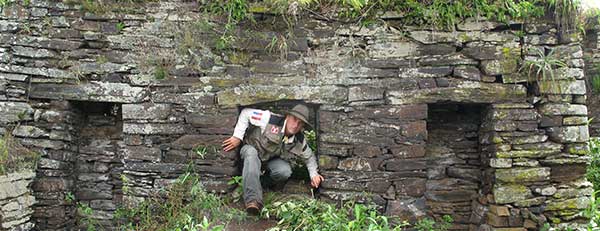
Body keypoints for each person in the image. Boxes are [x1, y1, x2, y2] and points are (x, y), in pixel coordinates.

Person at [222, 103, 324, 215]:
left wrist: (314, 174)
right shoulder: (269, 119)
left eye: (300, 123)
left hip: (269, 160)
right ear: (288, 117)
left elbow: (309, 157)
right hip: (250, 151)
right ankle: (253, 201)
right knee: (251, 154)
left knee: (284, 171)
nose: (295, 125)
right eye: (294, 119)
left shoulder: (298, 140)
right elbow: (246, 113)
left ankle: (257, 184)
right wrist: (237, 136)